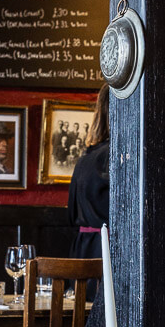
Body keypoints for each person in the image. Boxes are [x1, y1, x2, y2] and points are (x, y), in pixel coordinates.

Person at [68, 83, 109, 298]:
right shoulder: (115, 155)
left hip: (81, 253)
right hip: (107, 257)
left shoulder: (85, 157)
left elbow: (71, 214)